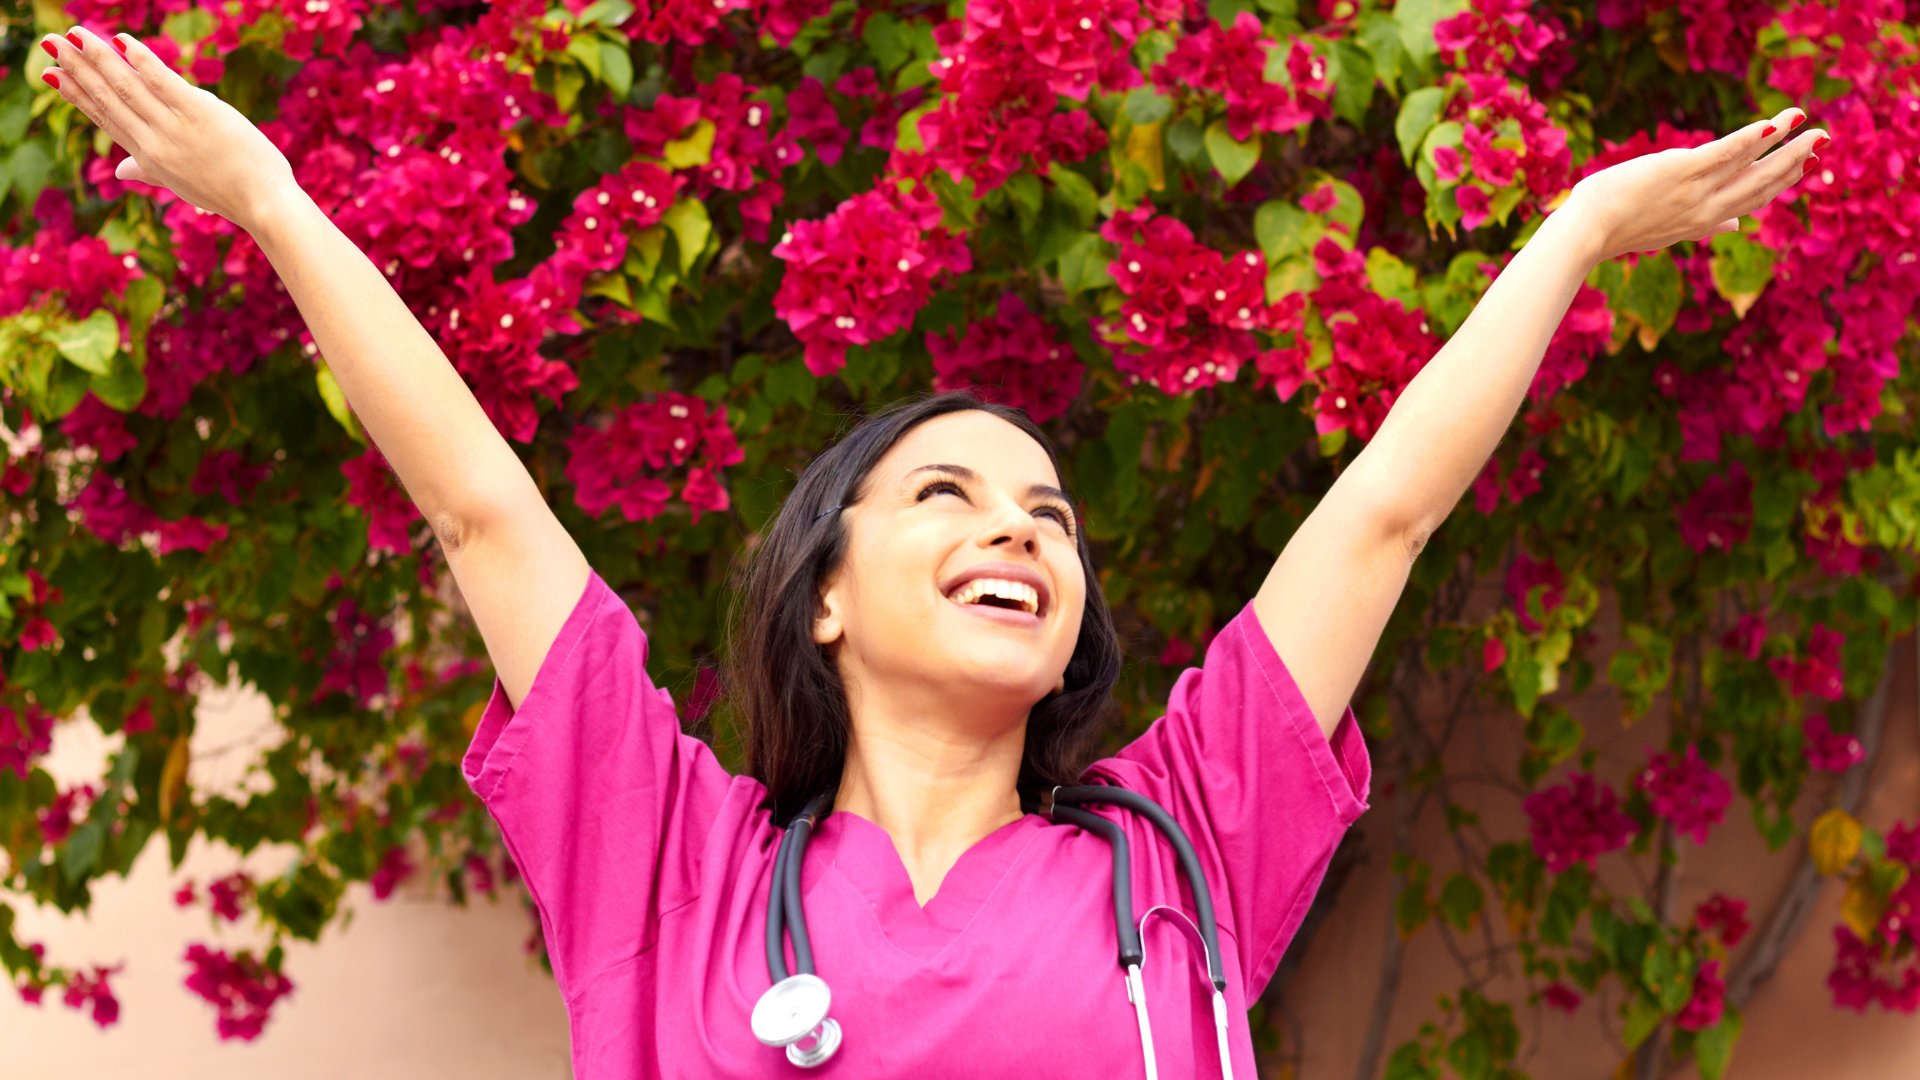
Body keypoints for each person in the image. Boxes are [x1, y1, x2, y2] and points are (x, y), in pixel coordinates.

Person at [37, 23, 1828, 1077]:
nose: (1021, 534)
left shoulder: (1183, 841)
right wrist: (277, 202)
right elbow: (481, 505)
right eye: (952, 497)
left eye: (1049, 515)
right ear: (823, 589)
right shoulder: (670, 857)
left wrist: (1580, 230)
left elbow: (1385, 506)